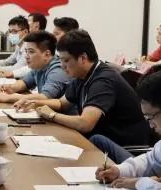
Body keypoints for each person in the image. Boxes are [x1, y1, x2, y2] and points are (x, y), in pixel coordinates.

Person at [16, 30, 150, 159]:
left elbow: (85, 123)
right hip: (98, 141)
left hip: (121, 147)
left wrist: (52, 115)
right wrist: (35, 103)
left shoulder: (103, 80)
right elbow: (62, 103)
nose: (62, 65)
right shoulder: (81, 75)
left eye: (66, 60)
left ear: (83, 58)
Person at [0, 31, 70, 105]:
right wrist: (11, 88)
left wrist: (10, 98)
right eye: (26, 51)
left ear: (47, 54)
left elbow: (45, 97)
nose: (26, 56)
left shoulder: (58, 70)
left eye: (31, 52)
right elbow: (25, 83)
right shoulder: (39, 66)